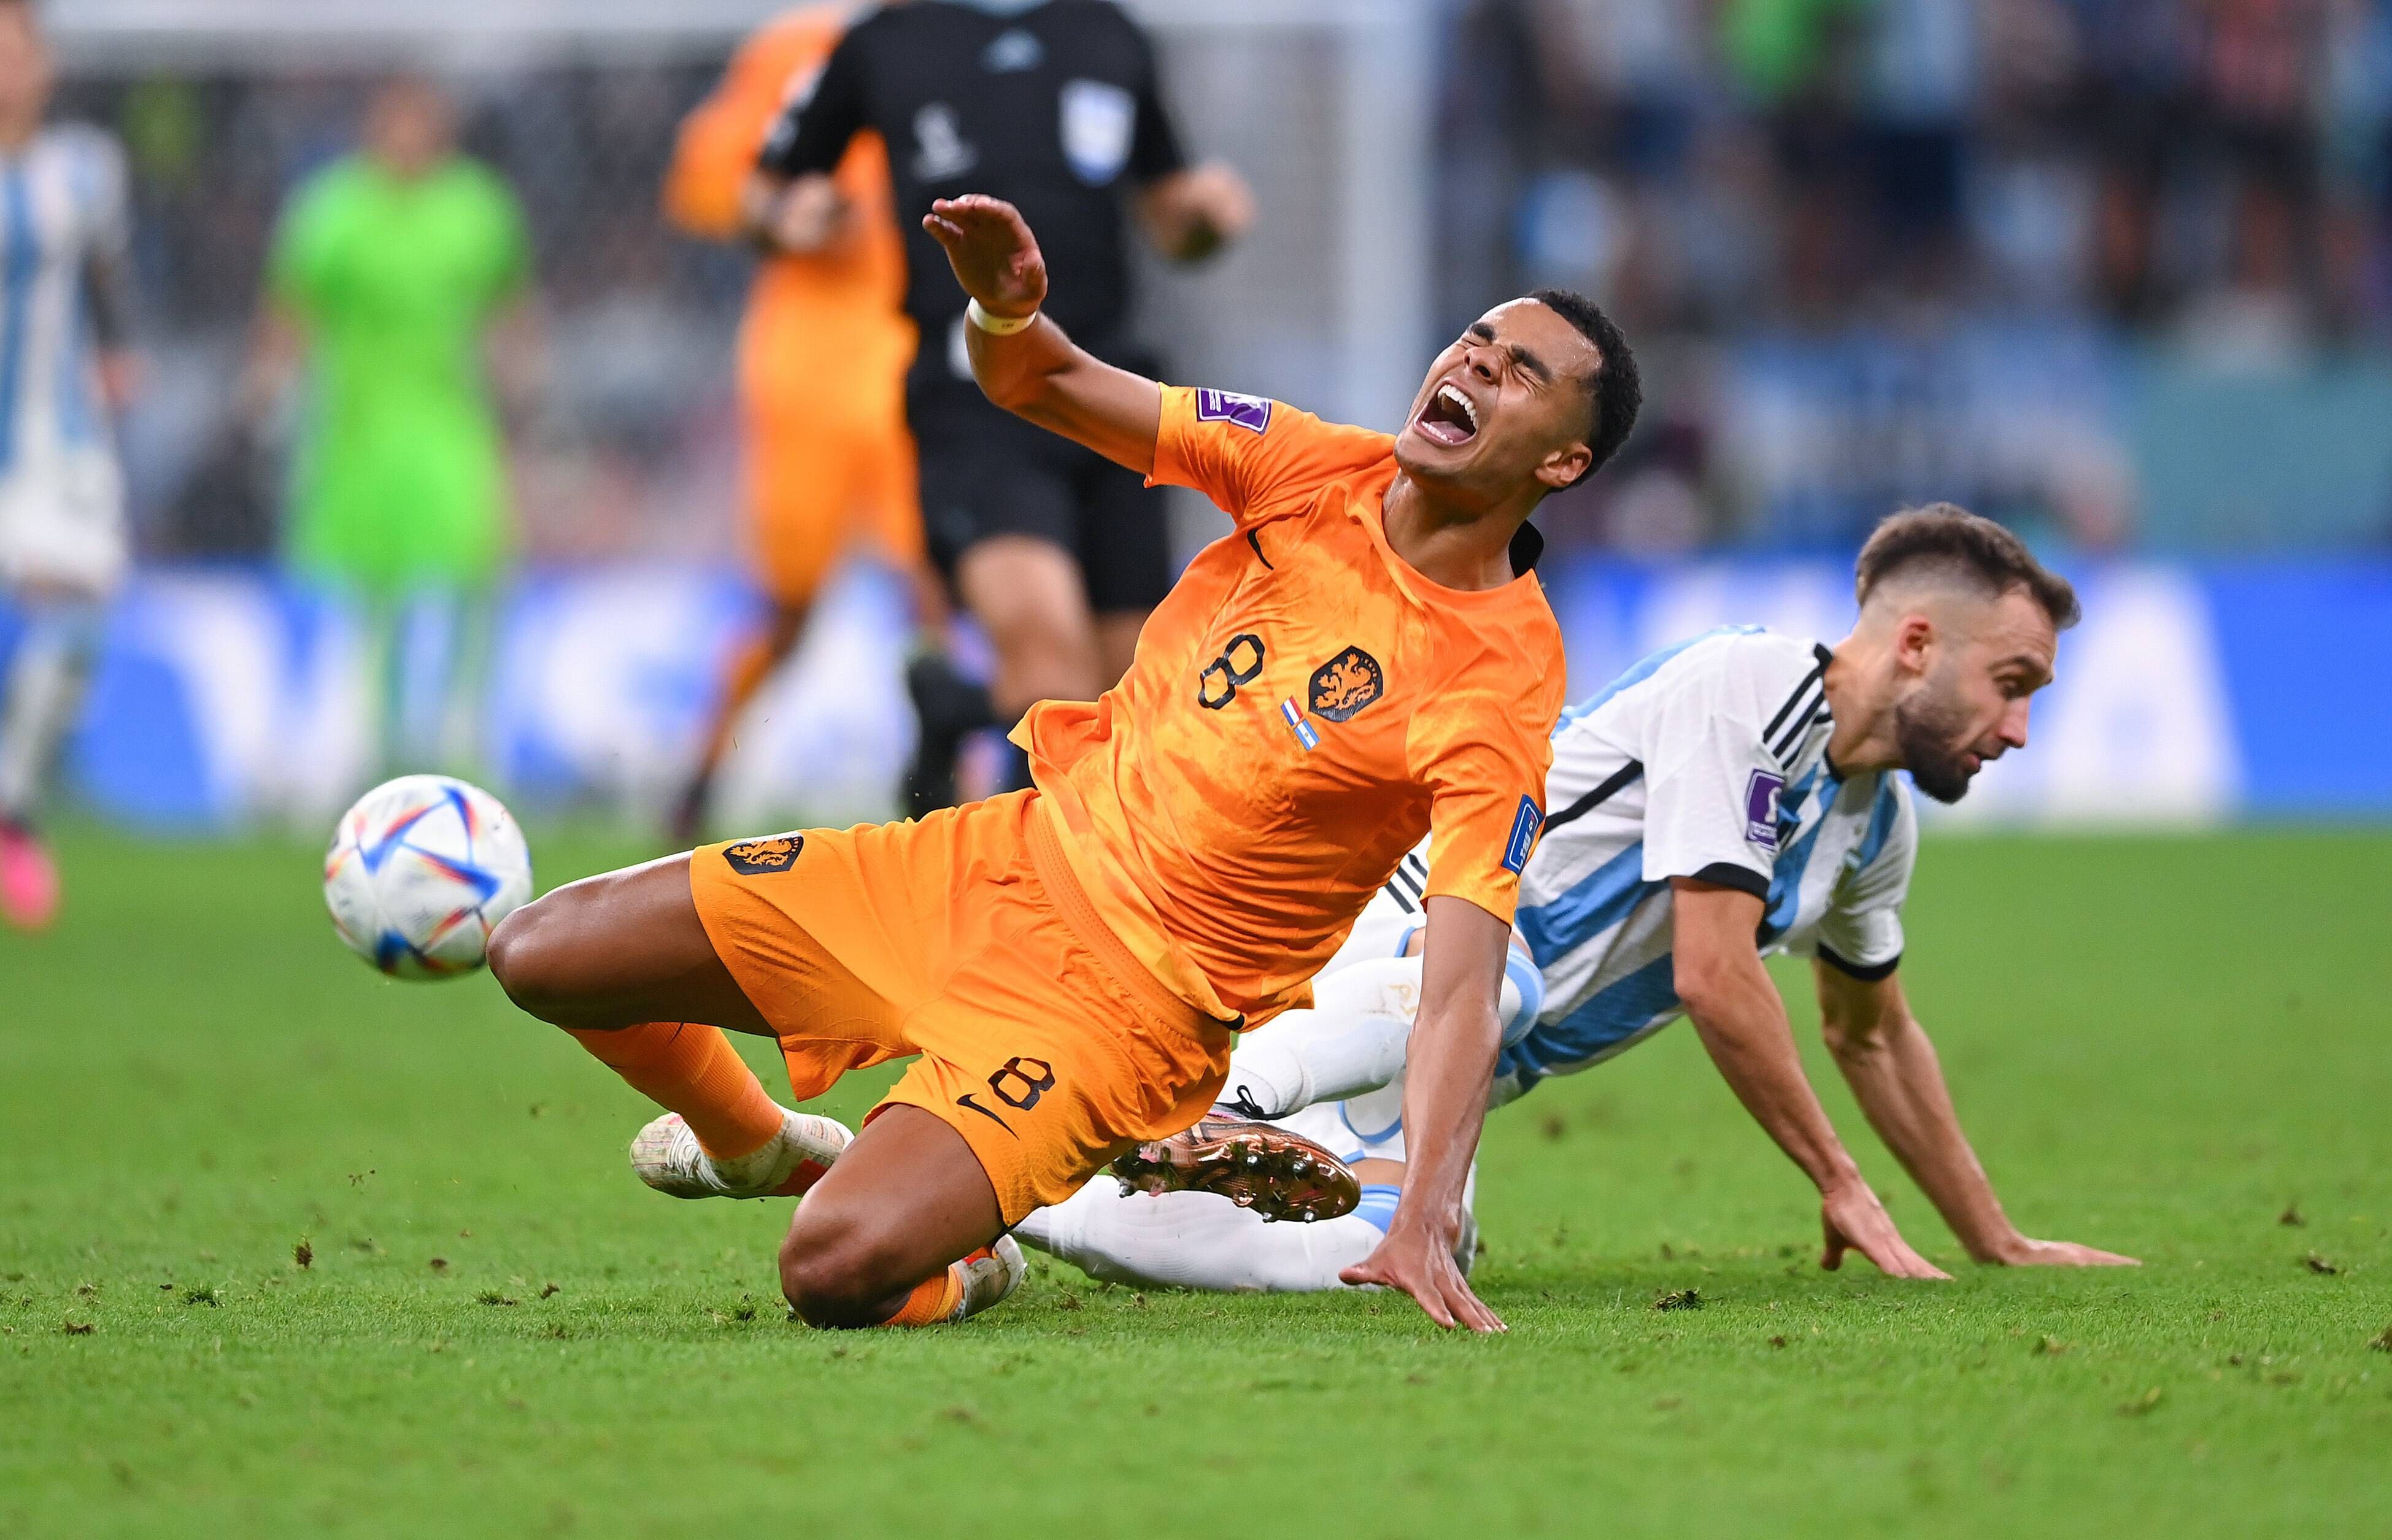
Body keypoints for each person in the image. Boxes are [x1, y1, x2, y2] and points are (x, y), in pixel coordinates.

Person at [480, 193, 1643, 1333]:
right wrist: (1003, 311)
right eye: (1477, 341)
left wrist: (1425, 1215)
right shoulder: (1307, 466)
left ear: (1562, 463)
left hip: (1115, 1017)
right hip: (988, 863)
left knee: (829, 1271)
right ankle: (756, 1145)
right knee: (540, 955)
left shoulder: (1497, 682)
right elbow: (1044, 380)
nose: (1479, 365)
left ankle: (971, 1259)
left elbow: (1457, 992)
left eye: (1523, 372)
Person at [1024, 506, 2140, 1292]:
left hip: (1441, 1062)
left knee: (1396, 1256)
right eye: (2011, 685)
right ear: (1913, 644)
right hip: (1382, 949)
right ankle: (1238, 1100)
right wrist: (1838, 1182)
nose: (2017, 730)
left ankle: (1022, 1212)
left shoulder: (1869, 829)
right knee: (1499, 981)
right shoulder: (1744, 690)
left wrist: (1991, 1238)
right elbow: (1712, 970)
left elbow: (1874, 1036)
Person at [745, 0, 1255, 812]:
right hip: (973, 398)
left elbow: (1170, 219)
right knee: (1051, 677)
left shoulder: (1111, 36)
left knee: (1125, 695)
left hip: (1114, 399)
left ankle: (955, 711)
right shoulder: (885, 41)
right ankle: (1014, 893)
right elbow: (766, 188)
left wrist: (1205, 221)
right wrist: (787, 218)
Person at [662, 3, 939, 841]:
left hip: (919, 354)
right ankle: (704, 772)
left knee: (935, 588)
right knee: (789, 606)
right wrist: (785, 211)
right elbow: (705, 180)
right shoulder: (794, 49)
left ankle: (944, 791)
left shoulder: (964, 42)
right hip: (808, 371)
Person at [242, 77, 539, 783]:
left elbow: (509, 309)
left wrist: (524, 387)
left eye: (421, 120)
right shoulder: (331, 210)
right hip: (353, 431)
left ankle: (445, 743)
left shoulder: (478, 209)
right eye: (395, 120)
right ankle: (348, 750)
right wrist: (265, 389)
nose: (408, 135)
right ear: (374, 125)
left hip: (447, 427)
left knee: (457, 576)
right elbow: (292, 310)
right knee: (358, 594)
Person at [0, 0, 139, 931]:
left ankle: (10, 805)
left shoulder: (84, 169)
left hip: (55, 441)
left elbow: (102, 273)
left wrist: (121, 352)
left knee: (83, 597)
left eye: (20, 43)